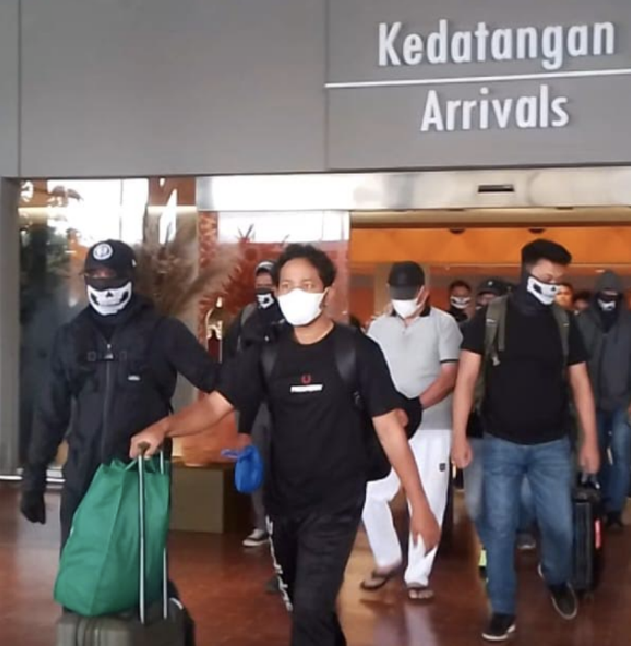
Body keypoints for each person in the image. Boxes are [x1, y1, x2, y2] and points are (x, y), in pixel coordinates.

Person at [130, 243, 441, 646]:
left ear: (326, 291)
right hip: (284, 503)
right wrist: (164, 427)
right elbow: (214, 407)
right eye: (288, 285)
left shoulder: (357, 351)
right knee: (307, 608)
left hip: (336, 503)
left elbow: (390, 430)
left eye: (307, 285)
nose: (297, 294)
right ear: (276, 292)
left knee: (310, 611)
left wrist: (419, 505)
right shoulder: (266, 355)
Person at [19, 239, 219, 550]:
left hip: (139, 473)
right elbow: (50, 411)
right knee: (79, 566)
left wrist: (170, 427)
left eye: (112, 277)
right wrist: (34, 478)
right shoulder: (71, 337)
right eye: (95, 277)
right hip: (83, 474)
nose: (104, 286)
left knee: (136, 566)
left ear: (130, 278)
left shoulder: (163, 332)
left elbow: (217, 383)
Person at [452, 239, 600, 642]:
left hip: (553, 445)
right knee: (499, 529)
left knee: (560, 527)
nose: (553, 286)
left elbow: (581, 384)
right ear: (526, 272)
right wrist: (458, 436)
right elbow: (465, 380)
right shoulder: (490, 318)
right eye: (547, 277)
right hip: (500, 442)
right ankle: (502, 608)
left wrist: (590, 441)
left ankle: (555, 576)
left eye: (559, 280)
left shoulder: (564, 323)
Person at [360, 261, 462, 601]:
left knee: (428, 499)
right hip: (388, 425)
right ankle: (387, 557)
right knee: (369, 493)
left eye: (409, 293)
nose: (403, 299)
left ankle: (418, 575)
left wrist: (414, 407)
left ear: (424, 291)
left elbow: (448, 377)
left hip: (432, 425)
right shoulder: (377, 327)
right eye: (397, 293)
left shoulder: (444, 324)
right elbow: (369, 374)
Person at [464, 277, 536, 576]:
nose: (486, 305)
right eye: (482, 299)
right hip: (476, 432)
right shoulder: (467, 333)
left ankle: (512, 536)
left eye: (492, 299)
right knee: (474, 502)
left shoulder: (522, 338)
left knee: (523, 496)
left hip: (513, 432)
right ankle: (490, 545)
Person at [576, 271, 631, 531]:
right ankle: (600, 501)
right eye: (604, 295)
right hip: (591, 401)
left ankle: (615, 510)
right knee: (595, 451)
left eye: (613, 295)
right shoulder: (583, 320)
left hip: (624, 399)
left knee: (621, 453)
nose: (608, 300)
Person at [223, 260, 283, 548]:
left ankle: (281, 523)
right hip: (252, 403)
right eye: (259, 285)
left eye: (268, 285)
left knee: (283, 465)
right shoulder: (247, 315)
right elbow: (231, 353)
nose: (263, 291)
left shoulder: (289, 315)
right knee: (255, 461)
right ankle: (261, 523)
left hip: (282, 402)